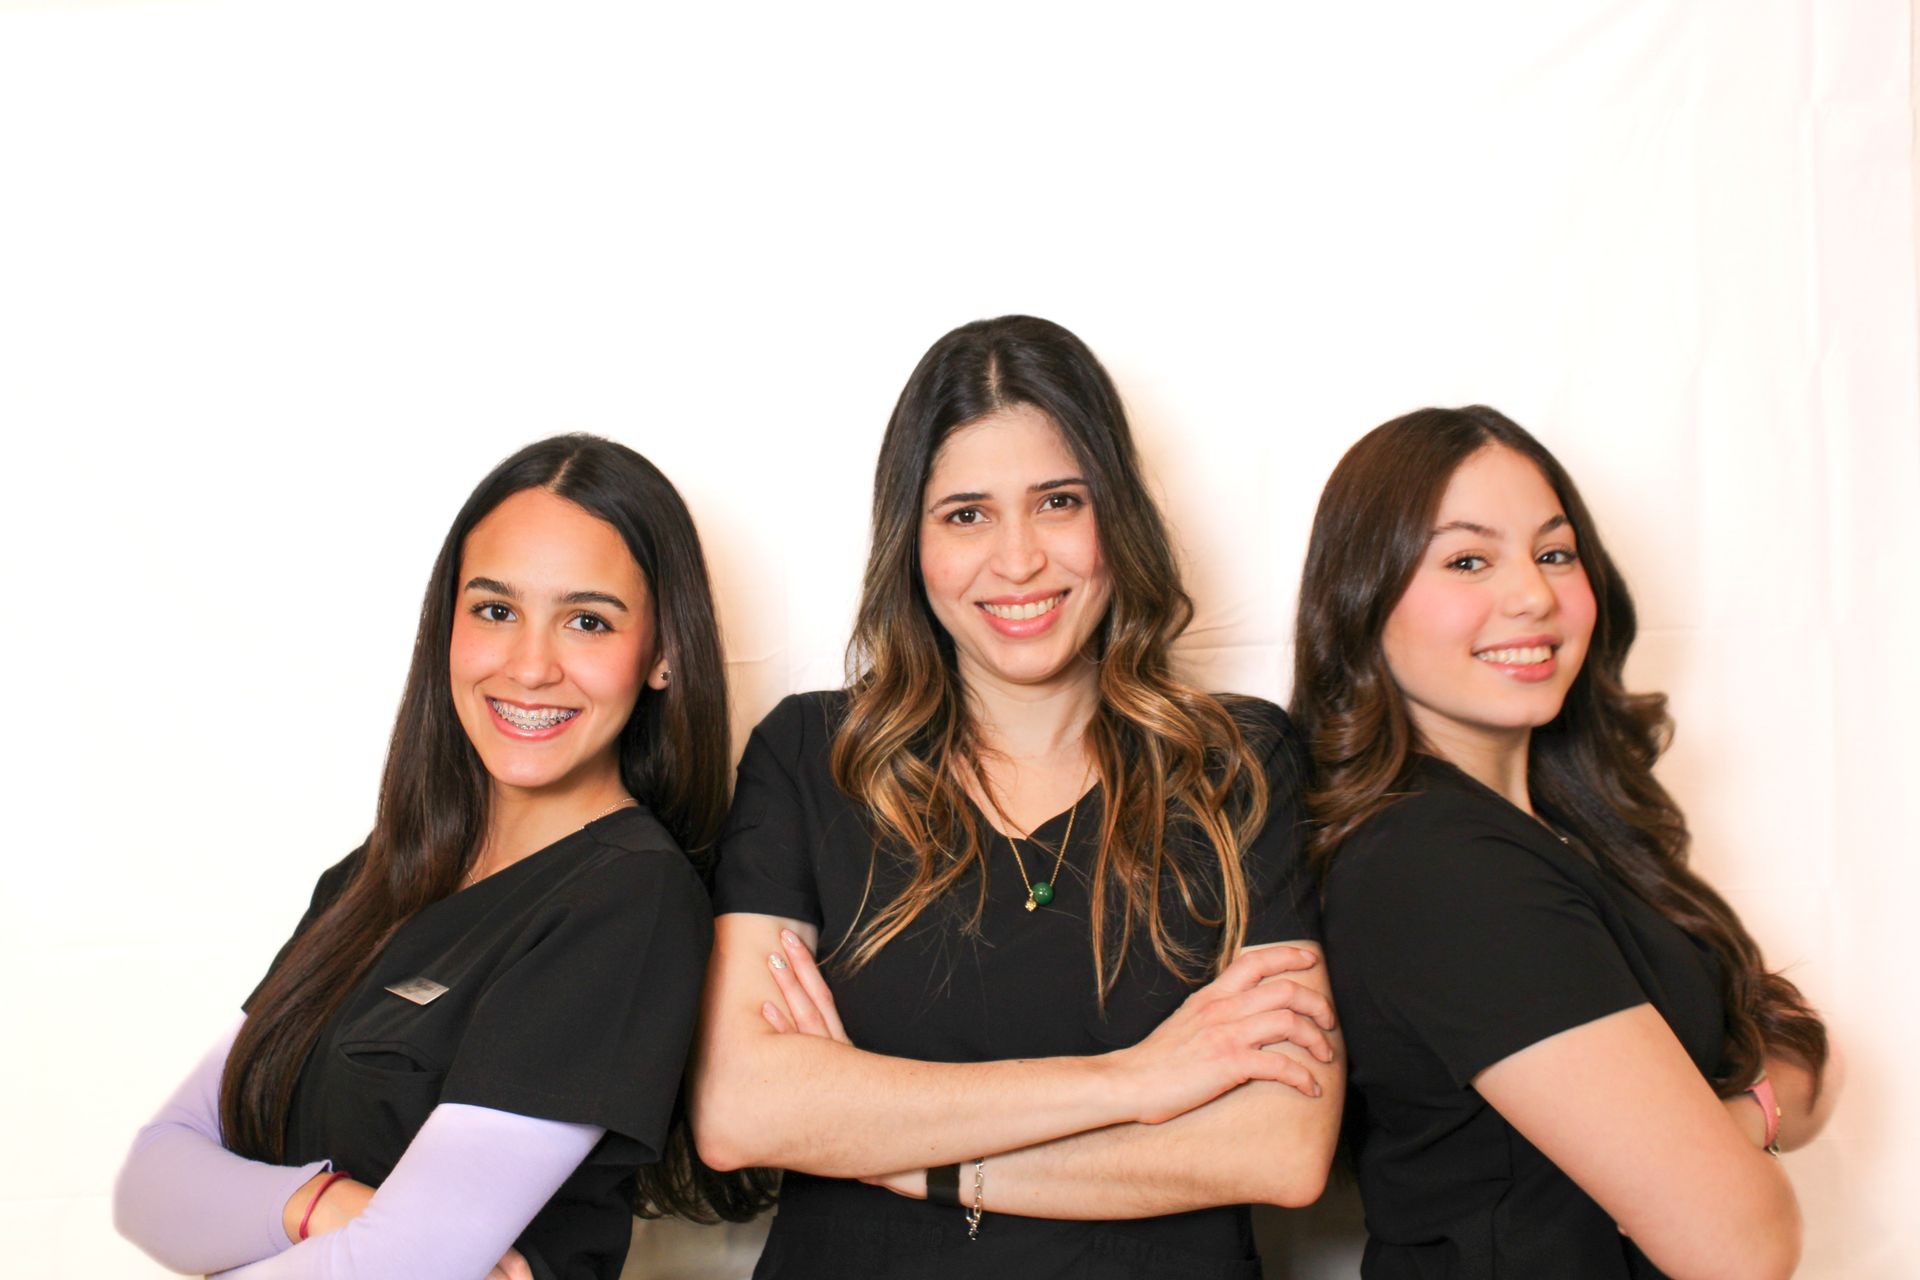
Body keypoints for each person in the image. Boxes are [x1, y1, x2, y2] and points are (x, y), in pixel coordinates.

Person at [691, 316, 1344, 1279]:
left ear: (1115, 517)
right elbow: (742, 1110)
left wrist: (921, 1157)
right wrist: (1137, 1081)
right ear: (911, 542)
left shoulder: (1238, 761)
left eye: (1057, 502)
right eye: (966, 514)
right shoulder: (810, 755)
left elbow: (1279, 1147)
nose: (1019, 560)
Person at [114, 435, 774, 1280]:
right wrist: (330, 1208)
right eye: (495, 610)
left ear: (663, 653)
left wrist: (305, 1224)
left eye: (587, 621)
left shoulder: (628, 903)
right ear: (448, 625)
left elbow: (405, 1263)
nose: (530, 667)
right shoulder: (370, 880)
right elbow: (151, 1184)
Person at [1293, 406, 1838, 1279]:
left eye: (1555, 553)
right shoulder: (1441, 869)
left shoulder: (1570, 829)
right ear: (1363, 599)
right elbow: (1742, 1244)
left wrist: (1733, 1126)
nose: (1533, 596)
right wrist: (1741, 1133)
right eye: (1468, 560)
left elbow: (1798, 1042)